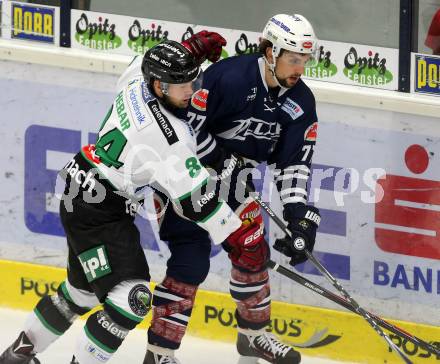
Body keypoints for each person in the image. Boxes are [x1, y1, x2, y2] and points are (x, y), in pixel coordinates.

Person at [0, 32, 265, 364]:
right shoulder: (168, 138)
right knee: (133, 298)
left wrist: (188, 52)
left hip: (80, 186)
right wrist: (241, 235)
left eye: (192, 80)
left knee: (81, 292)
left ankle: (17, 355)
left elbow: (149, 60)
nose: (192, 90)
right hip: (100, 208)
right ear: (159, 86)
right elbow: (198, 201)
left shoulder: (136, 79)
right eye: (182, 85)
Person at [175, 13, 320, 364]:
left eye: (305, 60)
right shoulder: (228, 77)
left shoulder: (301, 101)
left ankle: (252, 342)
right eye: (294, 58)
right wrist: (219, 160)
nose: (300, 68)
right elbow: (185, 126)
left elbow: (293, 164)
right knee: (189, 262)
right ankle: (160, 351)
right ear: (270, 51)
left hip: (236, 181)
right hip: (186, 175)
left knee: (253, 249)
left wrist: (300, 217)